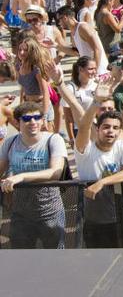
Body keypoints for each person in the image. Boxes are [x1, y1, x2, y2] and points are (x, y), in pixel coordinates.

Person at [75, 82, 123, 248]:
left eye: (115, 128)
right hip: (92, 219)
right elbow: (83, 127)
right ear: (97, 129)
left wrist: (102, 182)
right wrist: (96, 102)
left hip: (120, 217)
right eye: (106, 127)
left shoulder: (122, 146)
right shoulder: (85, 149)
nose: (111, 131)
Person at [0, 102, 67, 248]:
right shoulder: (10, 142)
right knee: (22, 260)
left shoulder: (53, 140)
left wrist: (22, 176)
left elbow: (55, 172)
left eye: (37, 117)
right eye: (27, 119)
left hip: (50, 211)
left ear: (43, 120)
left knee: (56, 258)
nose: (33, 122)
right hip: (20, 212)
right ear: (17, 122)